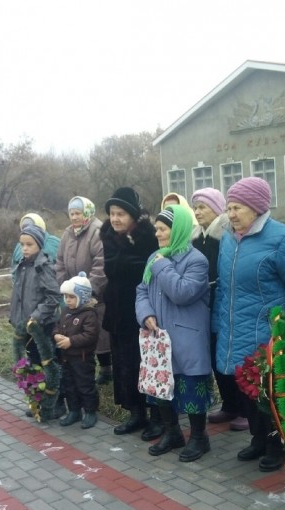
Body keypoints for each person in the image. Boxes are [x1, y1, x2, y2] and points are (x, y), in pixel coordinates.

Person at [212, 176, 285, 472]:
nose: (232, 214)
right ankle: (258, 439)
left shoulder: (282, 238)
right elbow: (224, 288)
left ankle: (277, 445)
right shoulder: (227, 238)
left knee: (269, 391)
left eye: (238, 207)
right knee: (246, 387)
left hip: (267, 331)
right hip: (235, 326)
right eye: (229, 207)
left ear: (257, 207)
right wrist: (219, 323)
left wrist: (284, 328)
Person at [136, 205, 212, 461]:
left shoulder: (196, 261)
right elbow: (141, 291)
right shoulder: (155, 257)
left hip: (186, 339)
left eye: (162, 229)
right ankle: (172, 433)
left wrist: (161, 266)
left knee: (191, 389)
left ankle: (200, 438)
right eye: (157, 229)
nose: (157, 234)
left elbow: (182, 292)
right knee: (161, 387)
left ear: (177, 229)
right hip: (159, 339)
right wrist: (145, 313)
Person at [100, 187, 159, 437]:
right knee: (123, 364)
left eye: (121, 213)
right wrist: (126, 264)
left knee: (145, 363)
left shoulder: (148, 237)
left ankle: (157, 416)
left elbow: (147, 270)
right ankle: (135, 412)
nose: (115, 219)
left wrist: (125, 264)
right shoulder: (109, 237)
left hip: (141, 310)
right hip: (117, 312)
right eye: (112, 214)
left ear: (134, 216)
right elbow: (111, 269)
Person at [190, 187, 247, 431]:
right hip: (203, 302)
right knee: (214, 355)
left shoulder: (226, 233)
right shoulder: (195, 236)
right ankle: (229, 404)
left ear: (216, 207)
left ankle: (245, 408)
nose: (198, 212)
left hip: (223, 301)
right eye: (196, 208)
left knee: (231, 355)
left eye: (203, 206)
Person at [55, 196, 113, 387]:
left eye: (78, 213)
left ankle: (106, 369)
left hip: (94, 295)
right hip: (73, 294)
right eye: (71, 213)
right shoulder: (68, 233)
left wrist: (87, 289)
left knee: (99, 333)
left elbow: (101, 263)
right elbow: (60, 262)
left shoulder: (96, 231)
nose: (74, 217)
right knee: (78, 330)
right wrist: (67, 288)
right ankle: (84, 367)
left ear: (87, 212)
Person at [10, 223, 66, 420]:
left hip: (43, 326)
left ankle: (58, 403)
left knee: (49, 364)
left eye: (29, 245)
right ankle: (40, 401)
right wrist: (16, 320)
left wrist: (36, 316)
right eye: (22, 244)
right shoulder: (22, 266)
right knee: (34, 364)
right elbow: (18, 296)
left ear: (39, 246)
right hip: (27, 327)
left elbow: (53, 296)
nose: (24, 248)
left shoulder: (43, 267)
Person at [54, 272, 100, 429]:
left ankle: (90, 411)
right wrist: (56, 335)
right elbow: (57, 325)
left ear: (83, 297)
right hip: (66, 357)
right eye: (66, 297)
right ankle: (74, 411)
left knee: (85, 385)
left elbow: (90, 335)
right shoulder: (66, 311)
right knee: (69, 385)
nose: (68, 300)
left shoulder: (89, 314)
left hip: (82, 359)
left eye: (72, 297)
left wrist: (70, 341)